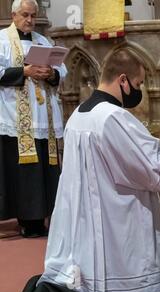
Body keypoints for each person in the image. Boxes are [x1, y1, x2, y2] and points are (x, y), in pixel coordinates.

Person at [37, 48, 160, 292]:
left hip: (89, 222)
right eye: (138, 83)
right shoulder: (113, 117)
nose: (139, 90)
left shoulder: (79, 114)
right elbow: (154, 166)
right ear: (122, 80)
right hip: (117, 223)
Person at [0, 0, 67, 238]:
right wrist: (24, 71)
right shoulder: (2, 40)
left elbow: (63, 71)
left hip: (43, 118)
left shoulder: (43, 41)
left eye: (33, 15)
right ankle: (28, 220)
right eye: (25, 15)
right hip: (16, 118)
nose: (29, 20)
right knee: (24, 172)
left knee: (45, 171)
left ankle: (44, 217)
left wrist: (51, 73)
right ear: (13, 15)